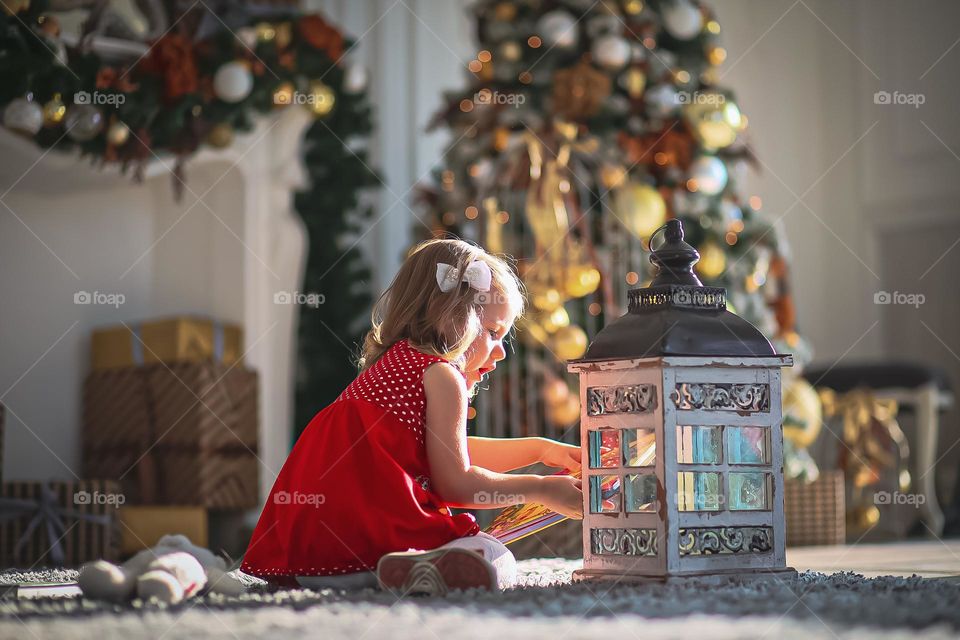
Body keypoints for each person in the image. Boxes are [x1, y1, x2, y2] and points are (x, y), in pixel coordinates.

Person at [240, 238, 583, 595]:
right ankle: (415, 565)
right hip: (370, 544)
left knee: (479, 553)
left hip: (311, 557)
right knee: (494, 555)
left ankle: (407, 568)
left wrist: (541, 450)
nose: (500, 353)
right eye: (494, 333)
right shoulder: (442, 375)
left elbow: (447, 453)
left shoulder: (394, 364)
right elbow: (455, 483)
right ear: (455, 317)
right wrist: (540, 489)